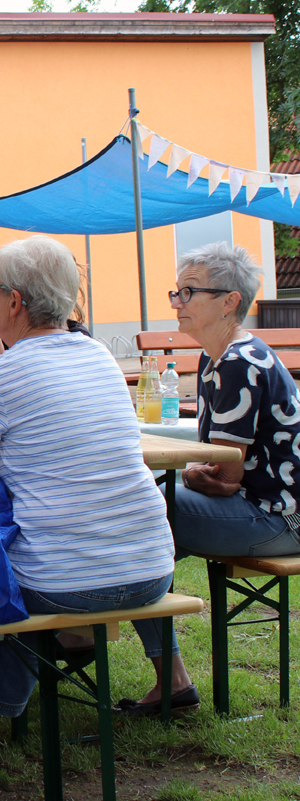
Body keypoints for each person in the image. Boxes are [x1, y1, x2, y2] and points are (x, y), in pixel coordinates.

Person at [0, 236, 178, 747]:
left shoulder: (7, 371)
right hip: (150, 568)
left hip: (68, 579)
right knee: (28, 558)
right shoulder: (98, 354)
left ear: (14, 301)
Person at [118, 242, 300, 713]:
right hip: (268, 510)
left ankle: (157, 674)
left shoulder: (237, 361)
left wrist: (196, 474)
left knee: (133, 519)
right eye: (177, 292)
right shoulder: (219, 356)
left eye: (188, 292)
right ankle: (100, 645)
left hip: (275, 520)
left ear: (229, 301)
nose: (176, 302)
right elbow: (217, 472)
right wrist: (195, 473)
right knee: (140, 514)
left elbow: (224, 474)